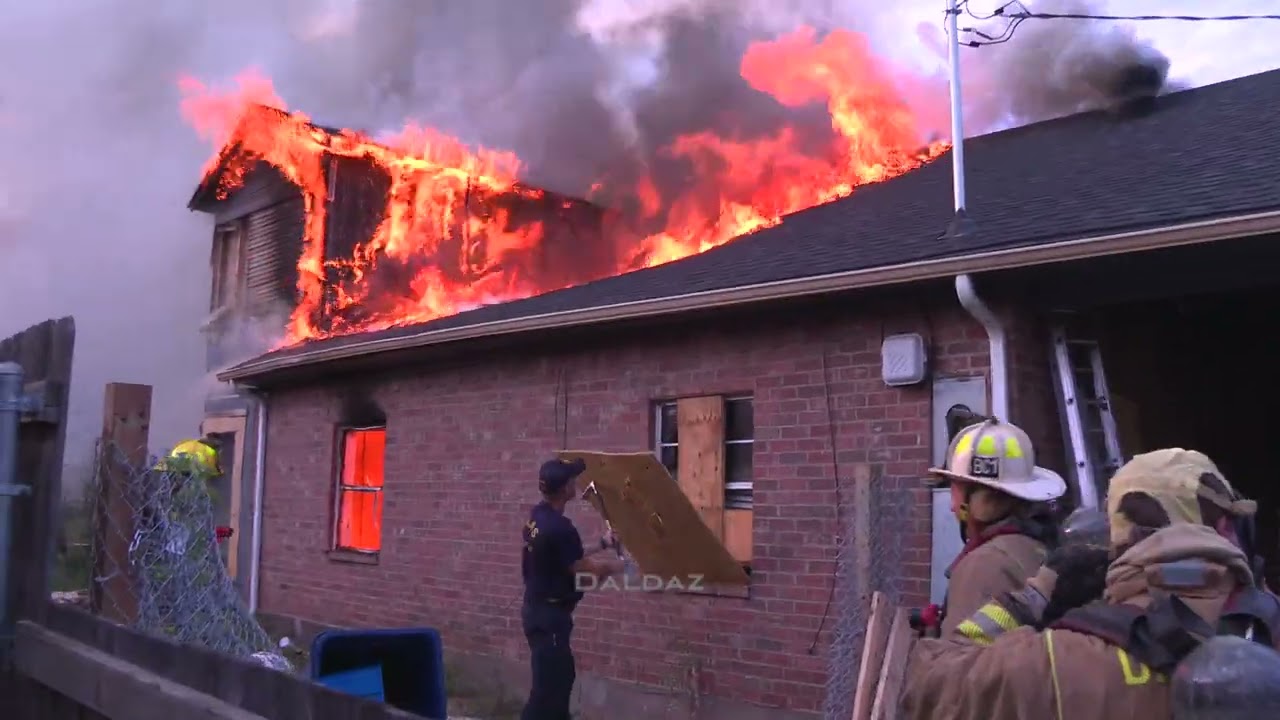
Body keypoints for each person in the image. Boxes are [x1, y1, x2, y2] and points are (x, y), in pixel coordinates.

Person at [900, 448, 1280, 720]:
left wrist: (1032, 599)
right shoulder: (1269, 627)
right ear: (1227, 528)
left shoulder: (1057, 660)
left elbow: (926, 687)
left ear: (1117, 536)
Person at [923, 418, 1066, 637]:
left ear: (981, 502)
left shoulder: (984, 566)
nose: (953, 507)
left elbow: (957, 664)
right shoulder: (1039, 543)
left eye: (955, 490)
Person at [521, 457, 625, 720]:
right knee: (548, 692)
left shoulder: (539, 516)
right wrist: (619, 567)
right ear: (565, 488)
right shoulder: (560, 528)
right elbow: (584, 571)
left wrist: (601, 544)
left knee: (561, 679)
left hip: (538, 612)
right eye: (572, 479)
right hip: (549, 617)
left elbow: (564, 556)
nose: (576, 482)